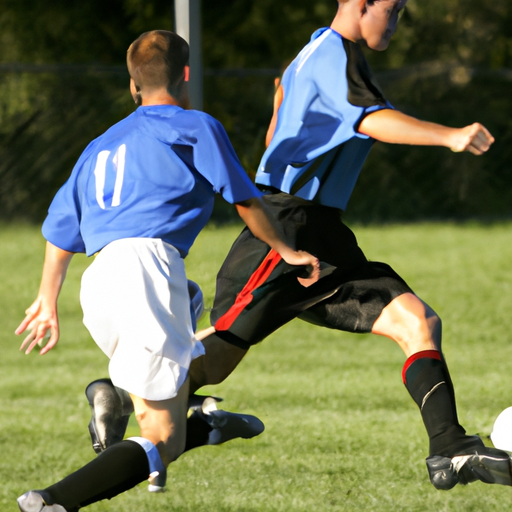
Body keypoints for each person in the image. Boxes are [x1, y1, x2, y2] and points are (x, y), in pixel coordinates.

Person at [84, 0, 512, 493]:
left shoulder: (311, 54)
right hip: (285, 229)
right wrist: (450, 136)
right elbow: (371, 120)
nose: (394, 21)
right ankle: (120, 394)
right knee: (218, 357)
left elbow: (280, 108)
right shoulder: (333, 54)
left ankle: (449, 449)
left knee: (417, 321)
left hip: (321, 231)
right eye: (390, 10)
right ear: (360, 3)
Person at [14, 30, 319, 512]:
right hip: (146, 270)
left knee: (191, 301)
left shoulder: (100, 144)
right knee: (163, 438)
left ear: (133, 85)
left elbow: (60, 231)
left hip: (100, 282)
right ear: (186, 76)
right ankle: (53, 501)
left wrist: (46, 299)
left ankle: (136, 400)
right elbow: (244, 199)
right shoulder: (194, 125)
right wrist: (285, 249)